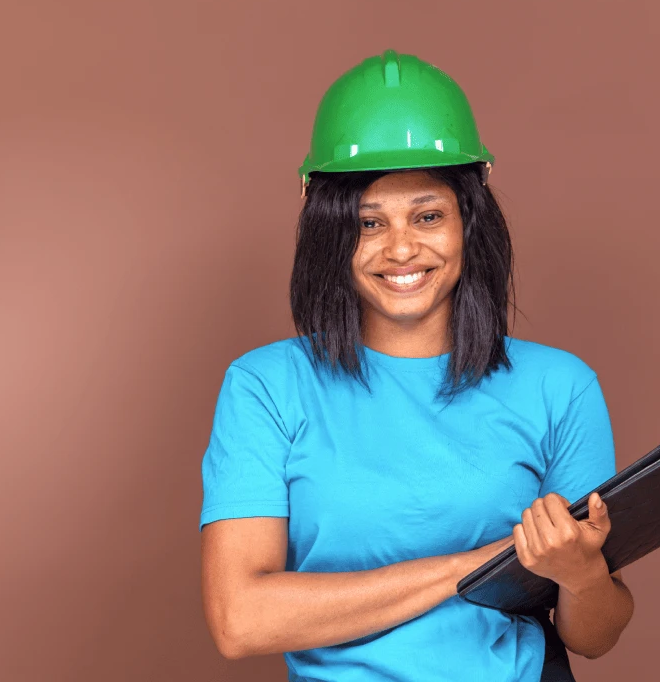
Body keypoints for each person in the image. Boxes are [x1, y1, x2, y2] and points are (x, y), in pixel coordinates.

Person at [200, 49, 634, 680]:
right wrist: (484, 564)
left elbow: (595, 636)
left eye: (428, 216)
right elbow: (240, 620)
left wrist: (582, 574)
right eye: (367, 223)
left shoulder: (560, 388)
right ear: (328, 234)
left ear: (468, 224)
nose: (401, 248)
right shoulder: (266, 388)